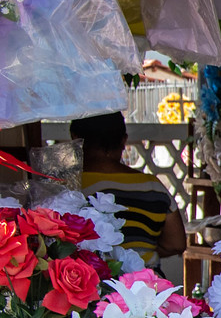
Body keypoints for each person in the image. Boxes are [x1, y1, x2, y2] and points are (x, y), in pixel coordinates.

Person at [73, 112, 184, 265]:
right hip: (149, 284)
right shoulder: (154, 187)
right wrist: (138, 255)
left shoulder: (69, 187)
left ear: (75, 138)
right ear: (123, 140)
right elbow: (176, 244)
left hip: (91, 284)